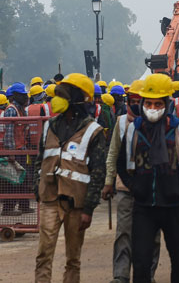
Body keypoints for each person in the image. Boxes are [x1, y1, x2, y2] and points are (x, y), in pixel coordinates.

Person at [116, 73, 179, 283]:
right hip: (144, 206)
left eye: (158, 103)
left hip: (175, 206)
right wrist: (134, 187)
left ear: (167, 104)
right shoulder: (134, 130)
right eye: (149, 103)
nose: (152, 108)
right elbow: (121, 163)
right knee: (142, 263)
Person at [33, 73, 107, 282]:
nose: (59, 97)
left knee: (73, 258)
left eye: (65, 93)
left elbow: (98, 171)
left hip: (76, 204)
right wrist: (37, 186)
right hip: (49, 198)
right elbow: (40, 158)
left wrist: (89, 208)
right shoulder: (50, 126)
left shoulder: (93, 131)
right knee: (43, 253)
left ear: (79, 98)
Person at [102, 80, 161, 283]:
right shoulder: (120, 122)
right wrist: (109, 181)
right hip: (125, 187)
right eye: (132, 100)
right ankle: (121, 275)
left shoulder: (159, 122)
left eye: (139, 100)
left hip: (152, 189)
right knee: (123, 233)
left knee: (152, 235)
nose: (135, 105)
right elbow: (113, 154)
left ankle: (148, 274)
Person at [2, 82, 34, 216]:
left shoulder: (21, 110)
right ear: (15, 95)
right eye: (22, 95)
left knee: (24, 179)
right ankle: (8, 208)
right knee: (13, 180)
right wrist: (11, 152)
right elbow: (9, 132)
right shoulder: (11, 110)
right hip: (15, 151)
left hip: (22, 150)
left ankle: (24, 205)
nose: (26, 97)